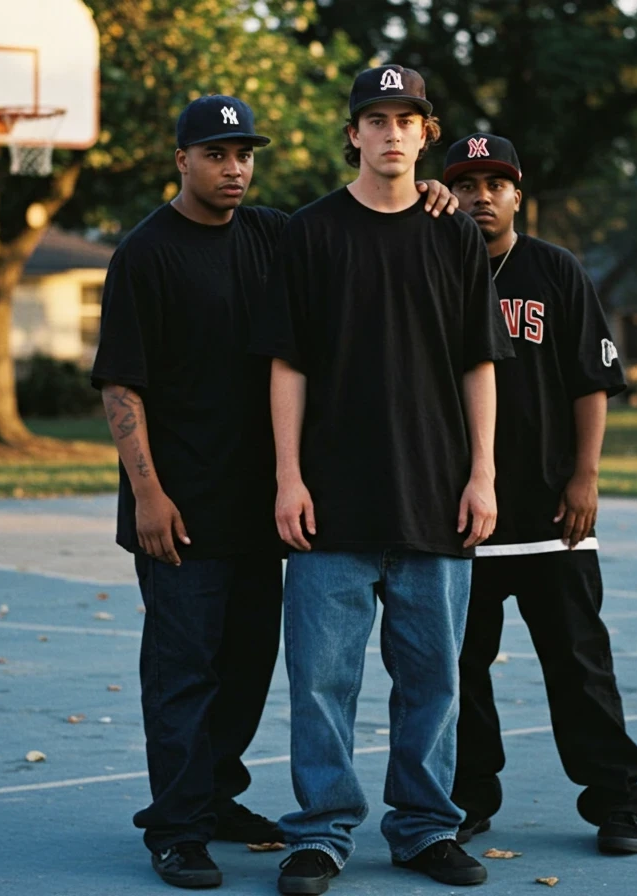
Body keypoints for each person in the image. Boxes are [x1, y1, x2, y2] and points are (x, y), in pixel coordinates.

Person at [92, 94, 459, 890]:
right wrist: (147, 496)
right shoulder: (146, 253)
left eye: (244, 154)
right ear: (181, 159)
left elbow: (364, 222)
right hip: (181, 511)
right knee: (183, 674)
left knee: (249, 667)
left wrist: (437, 194)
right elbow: (121, 385)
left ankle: (217, 798)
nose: (234, 168)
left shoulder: (272, 234)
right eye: (216, 154)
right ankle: (177, 828)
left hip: (262, 509)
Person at [251, 66, 513, 895]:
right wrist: (288, 477)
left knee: (433, 681)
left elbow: (479, 363)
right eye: (376, 118)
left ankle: (425, 829)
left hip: (436, 495)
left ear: (426, 132)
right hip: (333, 497)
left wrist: (484, 475)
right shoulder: (311, 232)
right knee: (323, 682)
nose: (392, 132)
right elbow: (287, 363)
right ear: (354, 134)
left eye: (407, 118)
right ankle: (321, 834)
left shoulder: (453, 233)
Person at [442, 133, 637, 856]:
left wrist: (585, 475)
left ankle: (617, 801)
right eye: (466, 184)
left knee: (579, 663)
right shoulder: (428, 266)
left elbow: (591, 383)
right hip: (457, 517)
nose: (481, 197)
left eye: (495, 184)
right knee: (457, 671)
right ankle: (467, 798)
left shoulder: (554, 271)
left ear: (517, 195)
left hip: (548, 514)